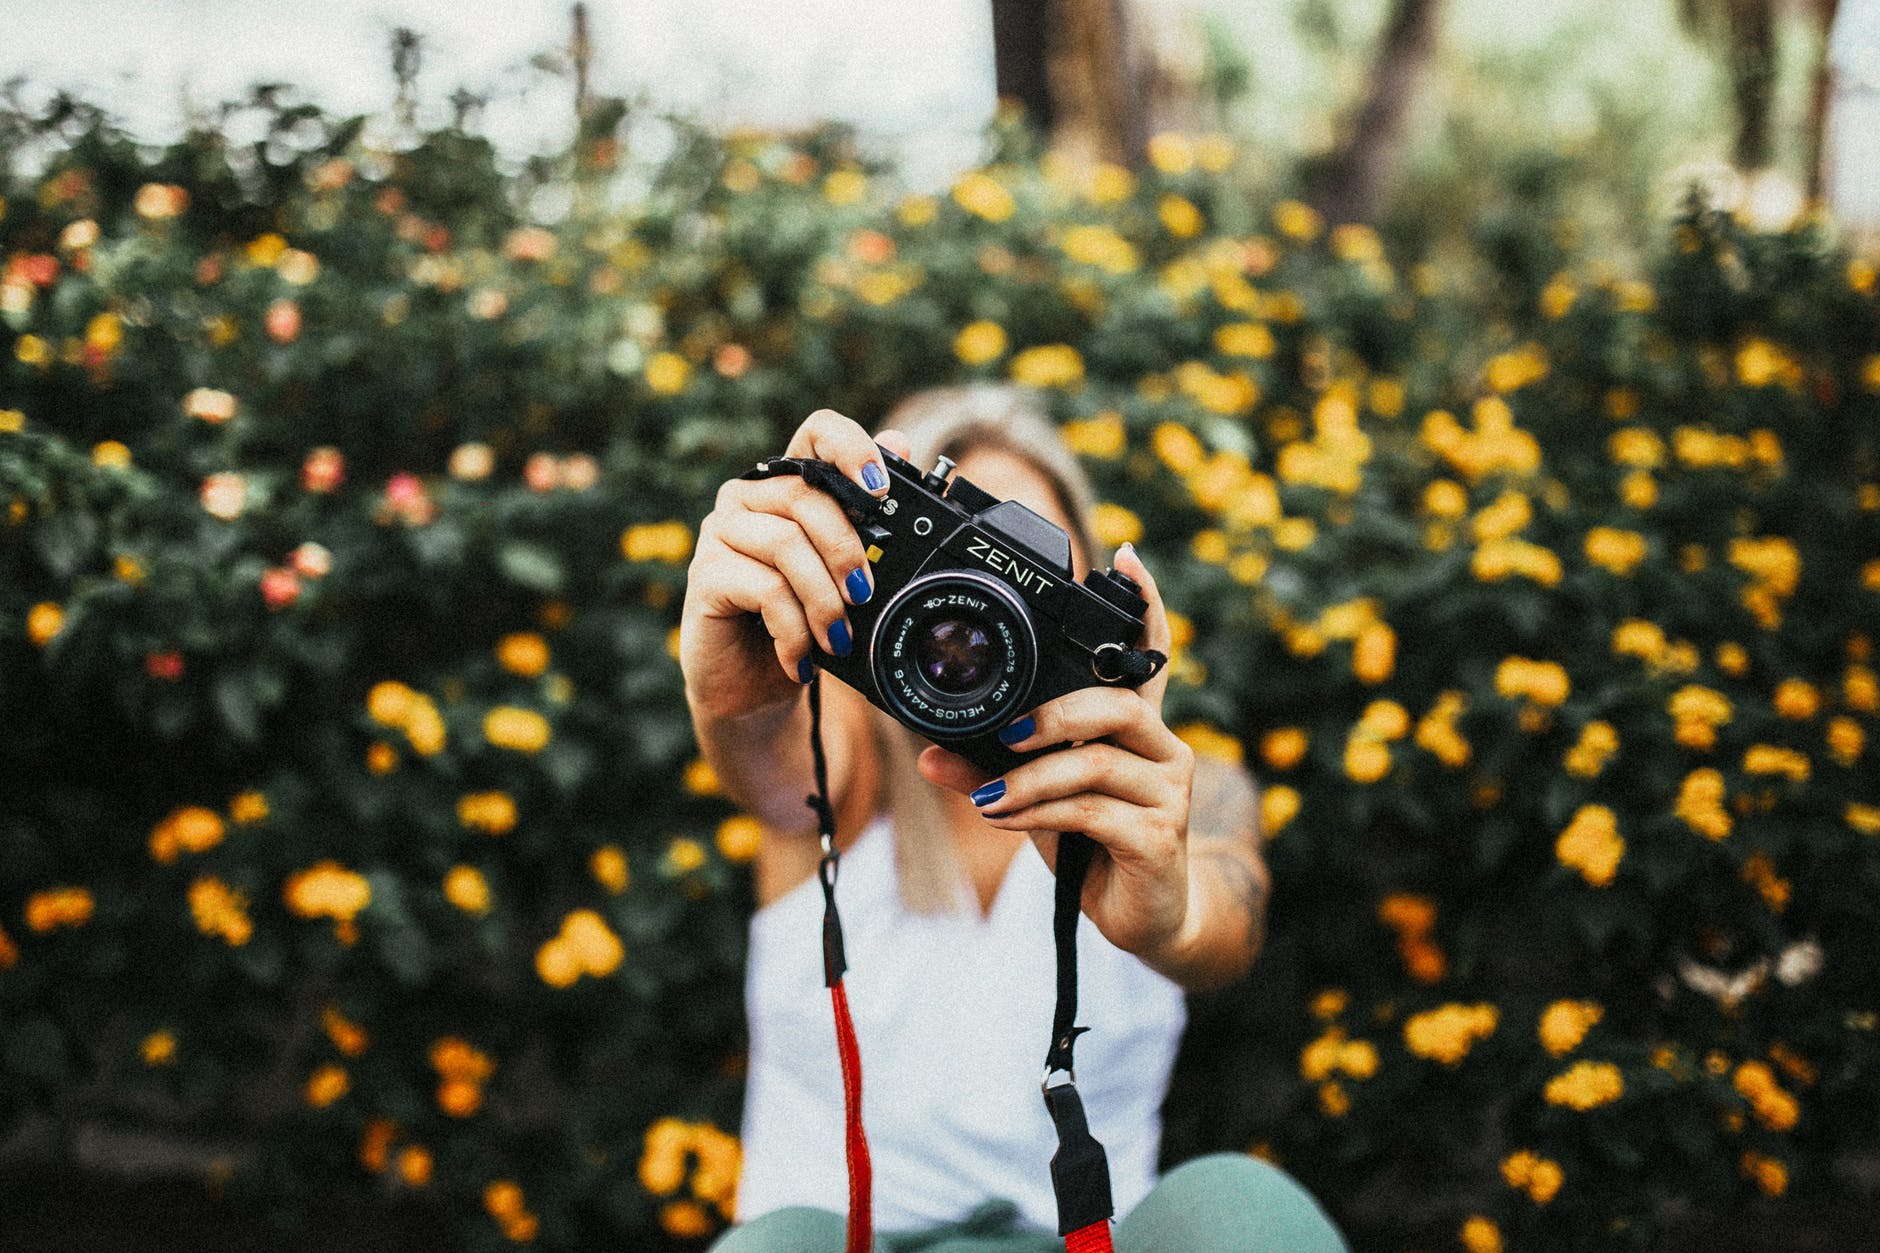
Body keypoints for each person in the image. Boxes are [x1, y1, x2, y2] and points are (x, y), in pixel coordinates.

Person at [680, 387, 1346, 1251]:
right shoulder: (835, 766)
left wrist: (1167, 905)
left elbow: (1224, 922)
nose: (971, 622)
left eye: (1020, 575)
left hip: (1085, 1236)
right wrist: (733, 686)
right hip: (840, 1238)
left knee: (1242, 1210)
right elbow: (765, 767)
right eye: (954, 564)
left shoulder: (1168, 794)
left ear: (1092, 606)